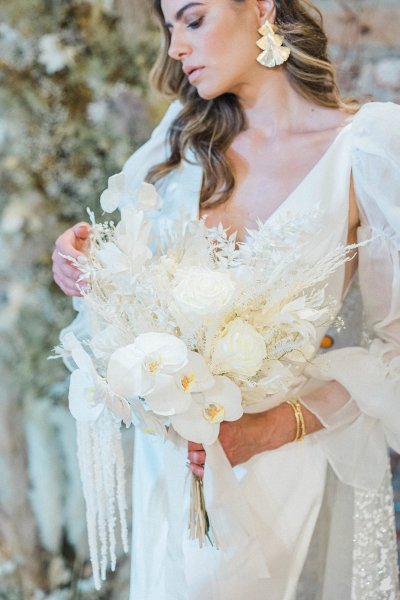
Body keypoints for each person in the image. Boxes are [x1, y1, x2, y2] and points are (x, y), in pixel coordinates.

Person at [52, 0, 400, 598]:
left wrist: (271, 429)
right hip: (170, 464)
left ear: (261, 7)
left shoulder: (365, 146)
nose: (175, 49)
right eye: (169, 30)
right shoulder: (180, 140)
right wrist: (83, 264)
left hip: (279, 465)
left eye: (193, 20)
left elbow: (396, 345)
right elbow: (123, 287)